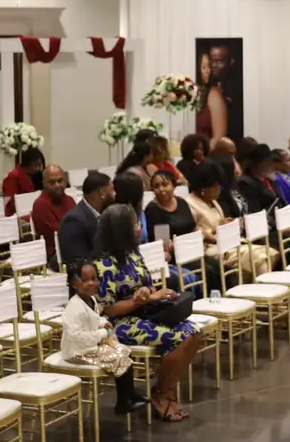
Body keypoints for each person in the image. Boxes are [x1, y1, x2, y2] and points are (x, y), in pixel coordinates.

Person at [92, 204, 206, 423]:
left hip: (145, 313)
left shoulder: (133, 254)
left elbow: (148, 287)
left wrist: (151, 292)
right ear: (122, 230)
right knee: (179, 339)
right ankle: (161, 394)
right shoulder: (103, 266)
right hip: (119, 324)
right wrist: (139, 299)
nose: (139, 228)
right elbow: (109, 309)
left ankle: (166, 390)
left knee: (196, 333)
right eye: (135, 224)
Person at [58, 258, 142, 415]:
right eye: (85, 280)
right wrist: (102, 333)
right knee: (117, 357)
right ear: (75, 283)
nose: (91, 283)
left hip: (90, 345)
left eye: (94, 279)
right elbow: (77, 336)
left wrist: (103, 323)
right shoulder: (74, 307)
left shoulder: (91, 300)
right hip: (77, 352)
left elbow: (94, 318)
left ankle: (130, 395)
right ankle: (123, 403)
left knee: (125, 351)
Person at [58, 171, 113, 268]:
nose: (115, 195)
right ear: (102, 193)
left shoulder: (106, 214)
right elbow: (77, 263)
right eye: (113, 190)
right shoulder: (73, 221)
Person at [30, 165, 76, 261]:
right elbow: (56, 235)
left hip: (74, 247)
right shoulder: (40, 205)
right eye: (52, 182)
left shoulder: (69, 200)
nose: (57, 185)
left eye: (60, 181)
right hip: (55, 255)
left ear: (65, 181)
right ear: (44, 184)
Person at [143, 168, 196, 243]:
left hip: (190, 245)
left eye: (165, 184)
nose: (161, 189)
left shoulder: (181, 201)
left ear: (174, 186)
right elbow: (158, 241)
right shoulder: (152, 209)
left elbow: (192, 227)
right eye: (156, 186)